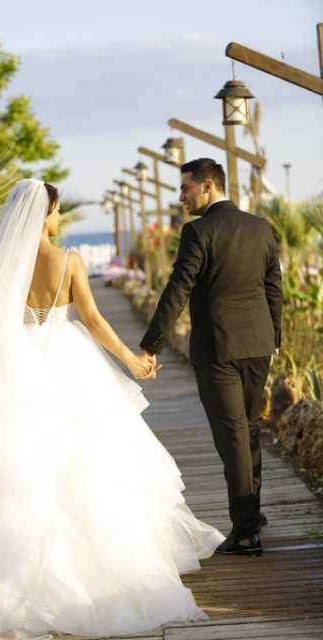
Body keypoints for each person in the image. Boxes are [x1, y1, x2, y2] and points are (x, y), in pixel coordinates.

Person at [0, 178, 224, 640]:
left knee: (15, 467)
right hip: (65, 363)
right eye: (55, 210)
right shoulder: (69, 260)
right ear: (43, 215)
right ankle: (90, 576)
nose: (59, 217)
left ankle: (13, 580)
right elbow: (92, 320)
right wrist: (133, 360)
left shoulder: (2, 266)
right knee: (84, 467)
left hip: (14, 368)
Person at [140, 158, 283, 557]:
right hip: (258, 345)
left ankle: (243, 532)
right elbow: (274, 287)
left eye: (185, 188)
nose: (181, 196)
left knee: (233, 436)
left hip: (217, 349)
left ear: (207, 186)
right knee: (248, 431)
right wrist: (274, 339)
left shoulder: (198, 231)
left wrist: (152, 344)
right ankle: (252, 514)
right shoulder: (260, 226)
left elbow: (178, 288)